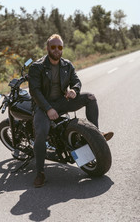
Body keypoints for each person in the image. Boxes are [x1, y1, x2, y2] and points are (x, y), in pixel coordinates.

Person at [28, 34, 113, 188]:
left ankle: (96, 135)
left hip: (62, 102)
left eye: (59, 47)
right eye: (53, 47)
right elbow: (35, 91)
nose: (56, 50)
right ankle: (40, 172)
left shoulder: (67, 65)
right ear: (47, 48)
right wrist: (48, 108)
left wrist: (74, 90)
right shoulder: (37, 66)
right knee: (41, 133)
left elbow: (76, 81)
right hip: (43, 106)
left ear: (62, 49)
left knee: (90, 98)